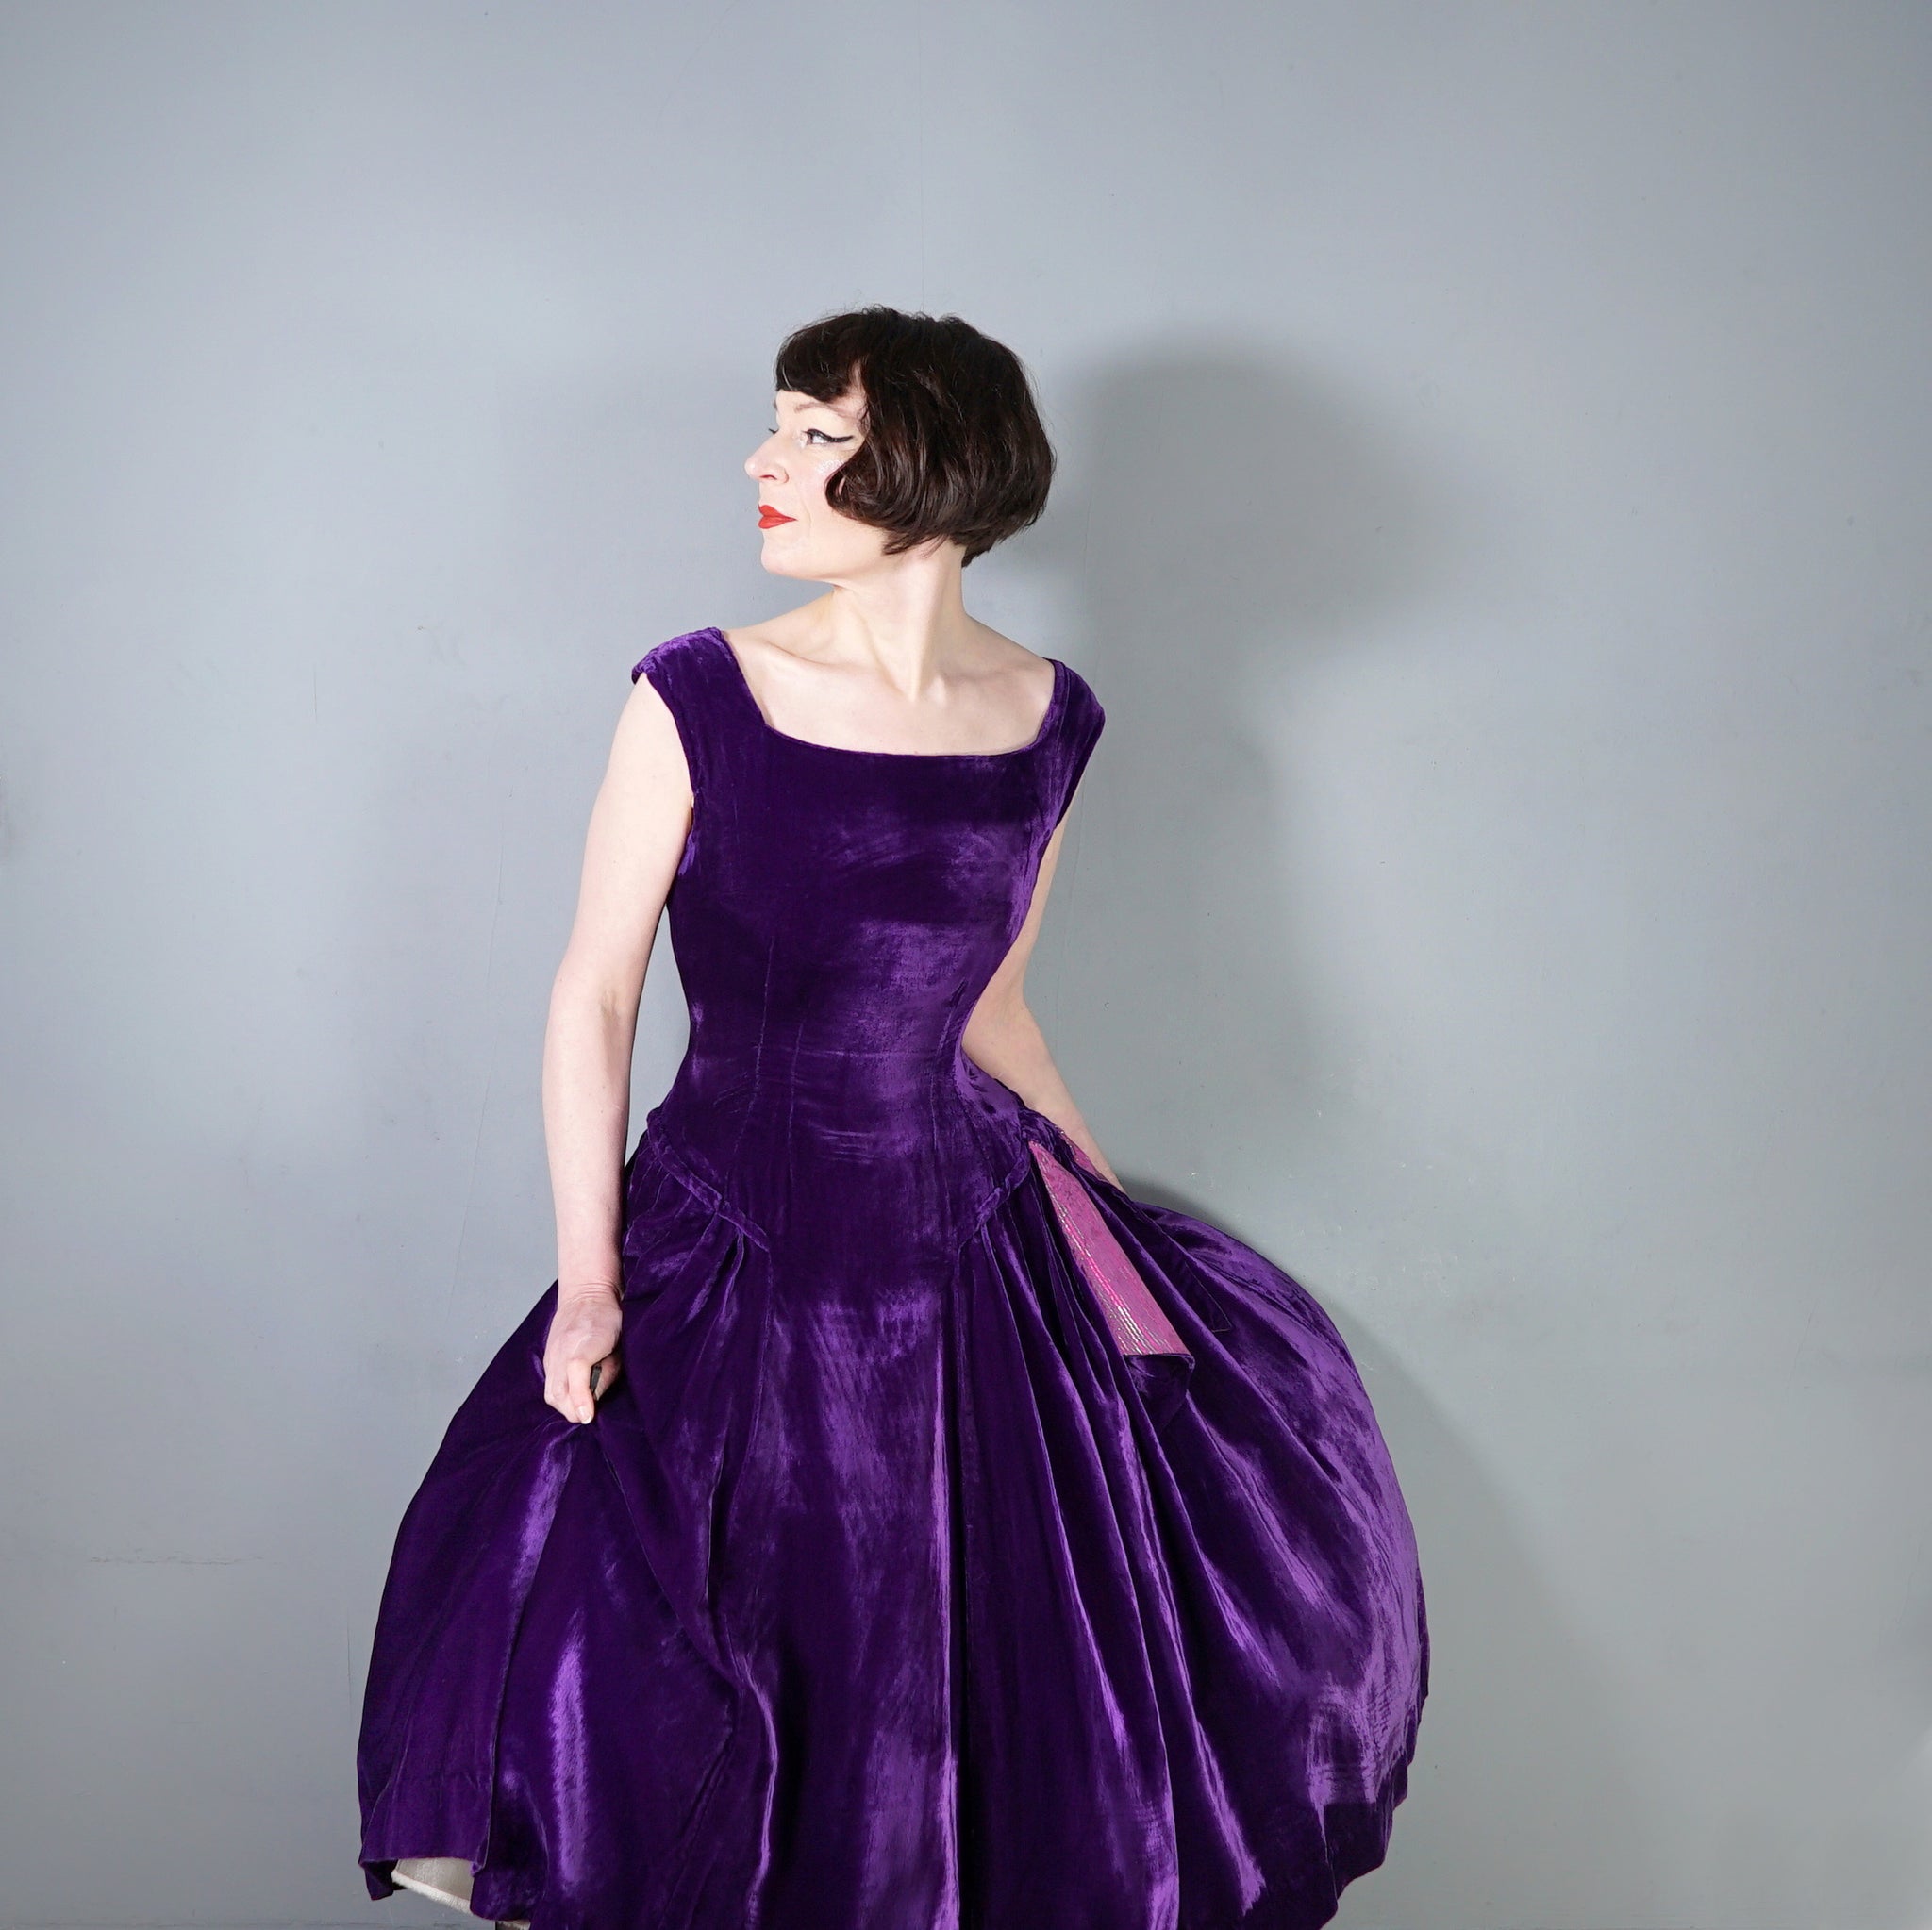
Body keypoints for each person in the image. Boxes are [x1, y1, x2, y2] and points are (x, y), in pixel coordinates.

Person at [357, 306, 1428, 1930]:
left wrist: (1120, 1238)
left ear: (930, 459)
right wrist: (590, 1277)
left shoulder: (1049, 718)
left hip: (973, 1258)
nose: (762, 459)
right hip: (732, 1245)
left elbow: (992, 1011)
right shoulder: (700, 692)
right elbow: (595, 995)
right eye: (777, 425)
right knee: (645, 1692)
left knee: (988, 1707)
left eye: (812, 431)